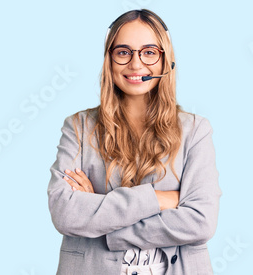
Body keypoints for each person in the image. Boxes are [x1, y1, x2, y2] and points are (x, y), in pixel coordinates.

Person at [47, 9, 222, 275]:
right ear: (109, 60)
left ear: (166, 61)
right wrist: (159, 199)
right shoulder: (78, 127)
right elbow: (66, 213)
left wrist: (102, 213)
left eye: (149, 52)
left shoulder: (196, 130)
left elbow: (200, 221)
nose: (136, 64)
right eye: (123, 52)